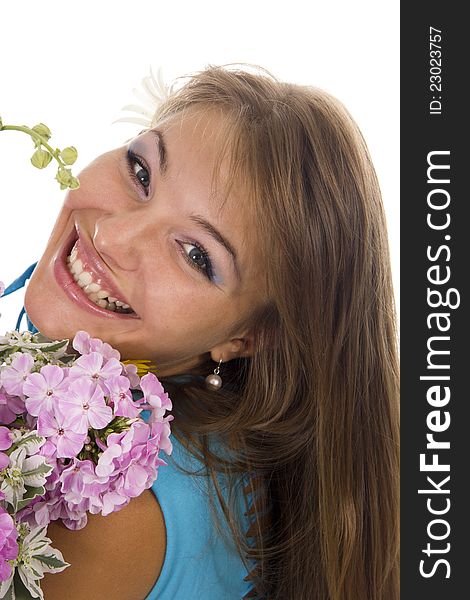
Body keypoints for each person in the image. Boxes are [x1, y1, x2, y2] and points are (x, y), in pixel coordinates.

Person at [15, 64, 399, 599]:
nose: (111, 234)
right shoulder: (214, 430)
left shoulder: (106, 512)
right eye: (141, 172)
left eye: (197, 255)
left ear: (248, 337)